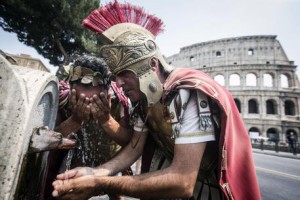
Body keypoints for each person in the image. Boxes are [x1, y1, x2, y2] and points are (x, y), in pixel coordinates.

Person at [52, 1, 261, 199]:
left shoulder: (190, 94)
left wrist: (99, 183)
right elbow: (133, 149)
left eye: (125, 73)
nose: (119, 83)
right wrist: (94, 172)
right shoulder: (144, 101)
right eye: (116, 75)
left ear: (152, 65)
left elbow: (182, 182)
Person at [46, 54, 132, 200]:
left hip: (112, 164)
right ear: (71, 87)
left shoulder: (120, 102)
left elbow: (130, 142)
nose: (89, 106)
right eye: (81, 100)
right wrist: (75, 120)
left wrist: (106, 120)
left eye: (96, 100)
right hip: (74, 164)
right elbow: (48, 141)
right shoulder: (63, 101)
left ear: (107, 91)